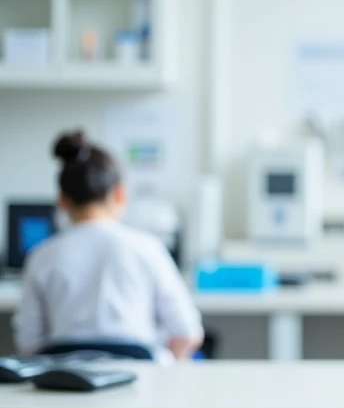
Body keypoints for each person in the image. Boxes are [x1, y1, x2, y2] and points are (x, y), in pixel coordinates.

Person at [12, 130, 204, 364]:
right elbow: (187, 333)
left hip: (65, 387)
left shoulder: (41, 256)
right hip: (141, 385)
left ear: (62, 200)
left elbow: (29, 344)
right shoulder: (147, 248)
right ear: (120, 194)